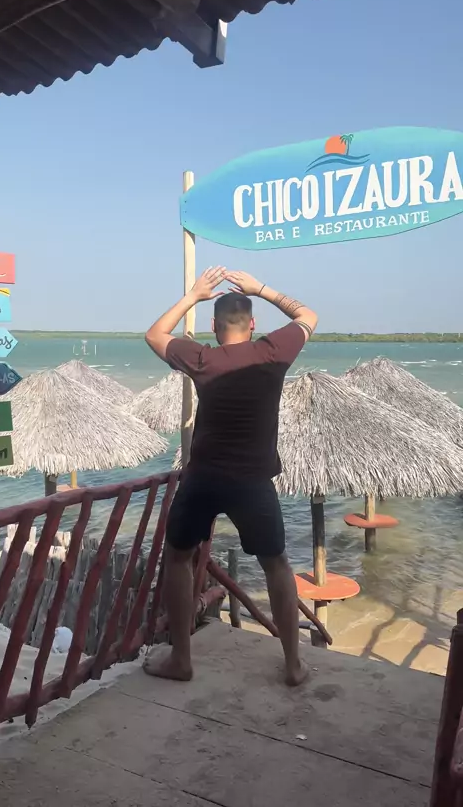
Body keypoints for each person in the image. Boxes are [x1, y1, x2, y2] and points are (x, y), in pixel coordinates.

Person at [144, 267, 318, 686]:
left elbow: (154, 334)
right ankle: (293, 664)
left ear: (214, 326)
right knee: (276, 565)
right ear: (252, 324)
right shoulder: (273, 352)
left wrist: (193, 295)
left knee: (178, 558)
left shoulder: (203, 358)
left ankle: (181, 659)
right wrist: (262, 289)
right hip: (254, 481)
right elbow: (308, 316)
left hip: (203, 477)